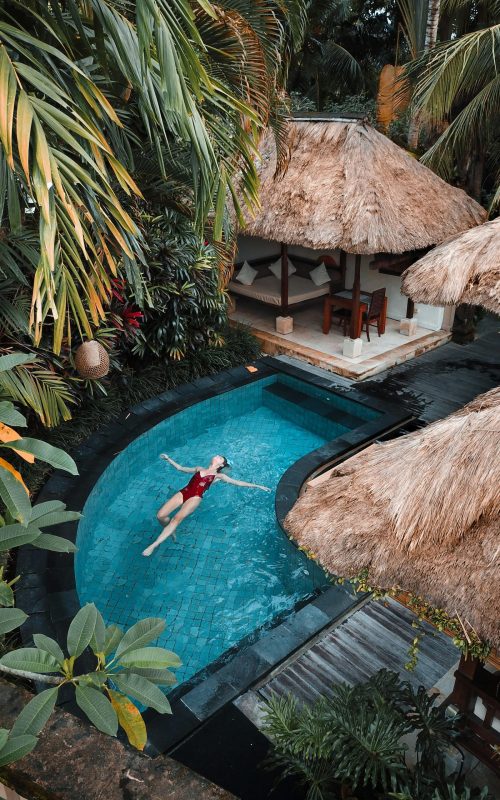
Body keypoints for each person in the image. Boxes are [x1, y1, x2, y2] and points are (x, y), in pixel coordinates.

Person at [142, 454, 271, 556]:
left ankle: (154, 544)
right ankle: (171, 531)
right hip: (184, 492)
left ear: (221, 464)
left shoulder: (219, 476)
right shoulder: (199, 468)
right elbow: (181, 468)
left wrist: (258, 486)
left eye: (220, 457)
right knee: (160, 516)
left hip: (195, 497)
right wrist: (168, 459)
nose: (217, 456)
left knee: (176, 519)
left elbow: (238, 483)